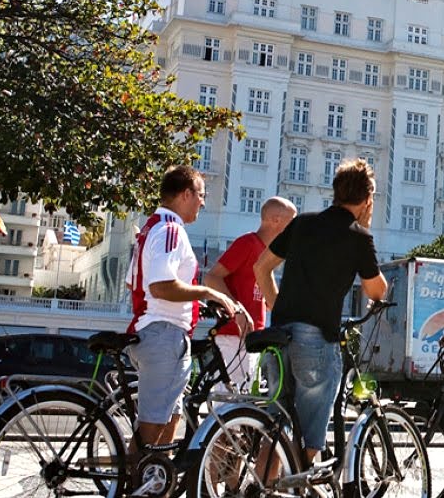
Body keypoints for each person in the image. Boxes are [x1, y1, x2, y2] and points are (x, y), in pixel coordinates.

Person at [253, 158, 387, 461]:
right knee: (311, 437)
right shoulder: (358, 236)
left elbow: (261, 267)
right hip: (315, 340)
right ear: (368, 199)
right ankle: (300, 484)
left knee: (278, 428)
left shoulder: (302, 223)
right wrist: (363, 228)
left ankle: (266, 487)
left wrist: (279, 307)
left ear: (336, 191)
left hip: (279, 334)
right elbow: (375, 290)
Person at [125, 165, 252, 455]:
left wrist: (199, 304)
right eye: (201, 195)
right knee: (152, 428)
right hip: (163, 334)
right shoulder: (170, 230)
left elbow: (144, 286)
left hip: (159, 332)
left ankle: (155, 484)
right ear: (185, 194)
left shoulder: (151, 228)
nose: (203, 202)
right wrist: (209, 292)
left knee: (173, 417)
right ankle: (132, 486)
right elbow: (161, 286)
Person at [204, 197, 296, 390]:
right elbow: (211, 278)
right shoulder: (248, 243)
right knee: (232, 406)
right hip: (233, 337)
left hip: (251, 340)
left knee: (242, 403)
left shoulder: (267, 254)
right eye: (292, 222)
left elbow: (271, 304)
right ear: (276, 220)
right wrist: (237, 310)